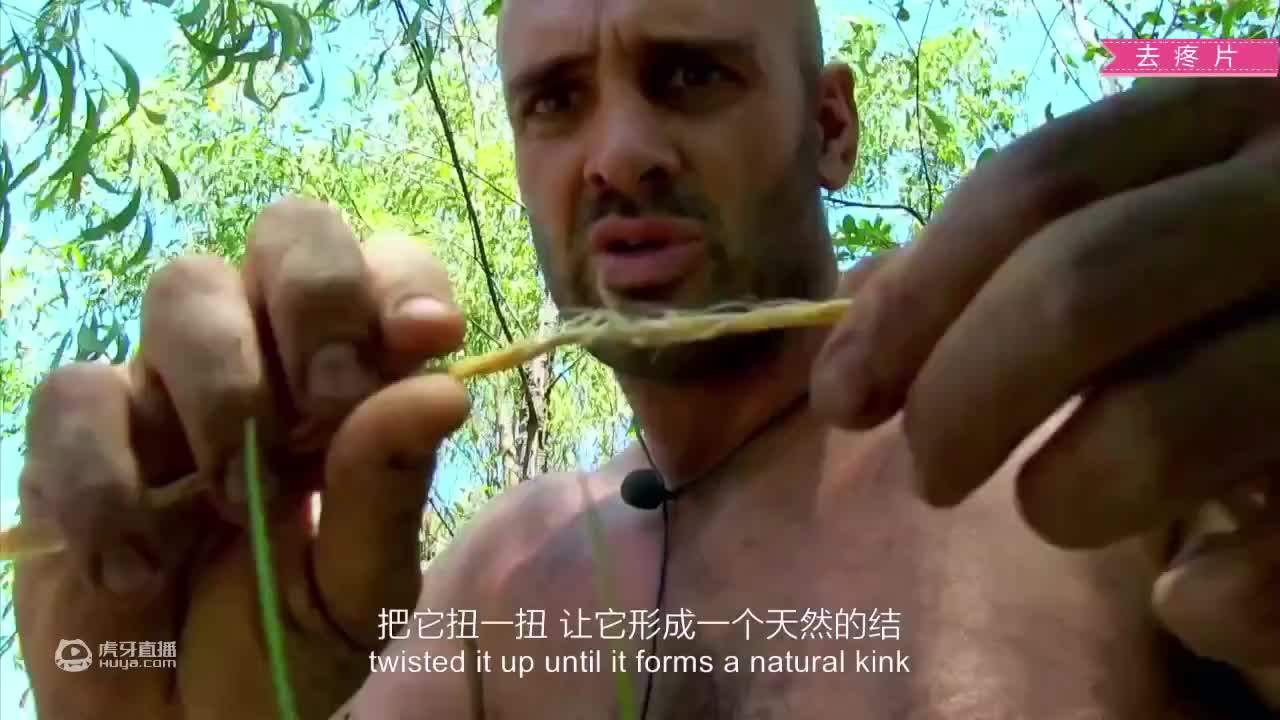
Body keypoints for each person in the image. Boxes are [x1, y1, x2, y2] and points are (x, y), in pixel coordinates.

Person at [12, 0, 1280, 717]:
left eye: (687, 75)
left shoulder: (1077, 421)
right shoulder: (492, 593)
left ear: (829, 127)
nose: (618, 154)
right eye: (555, 100)